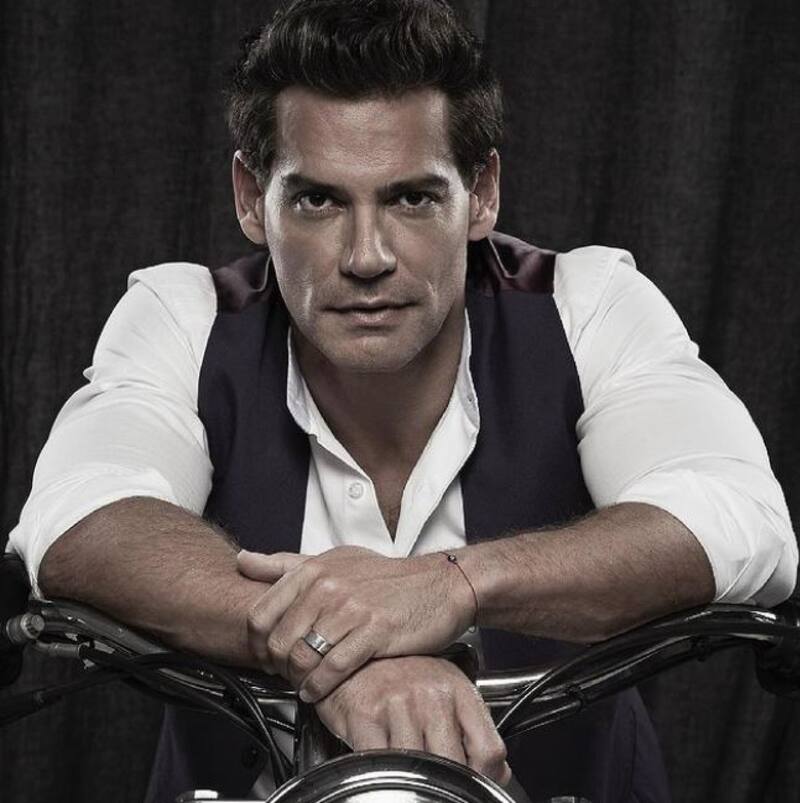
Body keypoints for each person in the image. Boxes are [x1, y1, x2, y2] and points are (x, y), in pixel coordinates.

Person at [7, 0, 797, 801]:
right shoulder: (186, 319)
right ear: (250, 197)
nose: (366, 256)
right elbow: (80, 519)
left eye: (412, 198)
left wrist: (451, 584)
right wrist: (336, 647)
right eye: (318, 201)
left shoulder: (587, 307)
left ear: (481, 193)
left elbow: (740, 515)